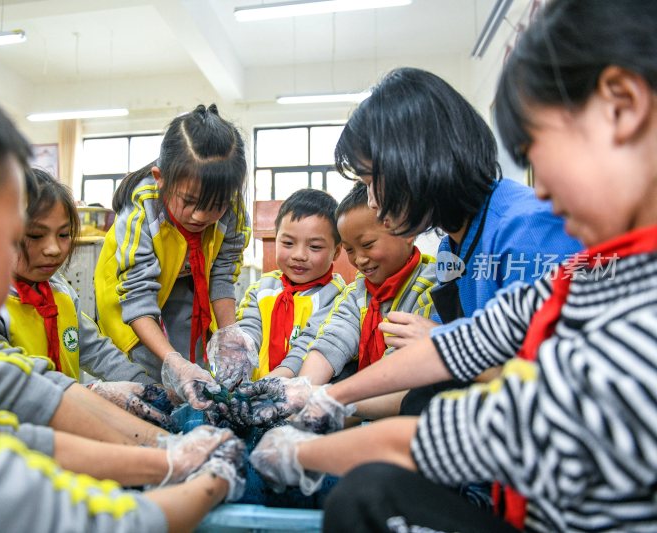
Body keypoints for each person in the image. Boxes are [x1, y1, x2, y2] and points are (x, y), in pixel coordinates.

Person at [250, 1, 657, 531]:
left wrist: (307, 446)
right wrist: (323, 393)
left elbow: (479, 418)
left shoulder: (537, 234)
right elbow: (466, 341)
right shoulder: (543, 267)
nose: (371, 202)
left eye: (539, 147)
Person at [0, 40, 244, 531]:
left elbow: (23, 405)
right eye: (10, 241)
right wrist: (207, 481)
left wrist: (164, 457)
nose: (44, 255)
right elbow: (65, 514)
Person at [0, 167, 176, 429]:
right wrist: (93, 393)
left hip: (67, 422)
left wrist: (152, 387)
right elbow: (14, 384)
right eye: (35, 235)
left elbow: (94, 348)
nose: (53, 249)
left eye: (64, 234)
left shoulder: (61, 292)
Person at [94, 105, 251, 403]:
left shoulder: (233, 210)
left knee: (198, 374)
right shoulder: (141, 210)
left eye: (216, 205)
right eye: (190, 201)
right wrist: (173, 361)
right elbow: (137, 299)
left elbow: (221, 276)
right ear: (160, 178)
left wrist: (230, 335)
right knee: (151, 379)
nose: (201, 215)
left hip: (186, 290)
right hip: (130, 300)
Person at [294, 182, 437, 391]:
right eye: (350, 250)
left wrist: (331, 398)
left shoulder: (430, 285)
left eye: (368, 244)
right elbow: (333, 340)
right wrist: (301, 390)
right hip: (362, 398)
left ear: (407, 232)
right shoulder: (356, 292)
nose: (359, 260)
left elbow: (402, 366)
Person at [229, 188, 345, 382]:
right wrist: (238, 361)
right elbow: (249, 328)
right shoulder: (262, 288)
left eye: (315, 246)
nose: (299, 255)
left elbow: (309, 345)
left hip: (302, 394)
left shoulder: (337, 297)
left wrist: (273, 382)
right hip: (255, 387)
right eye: (288, 243)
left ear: (337, 251)